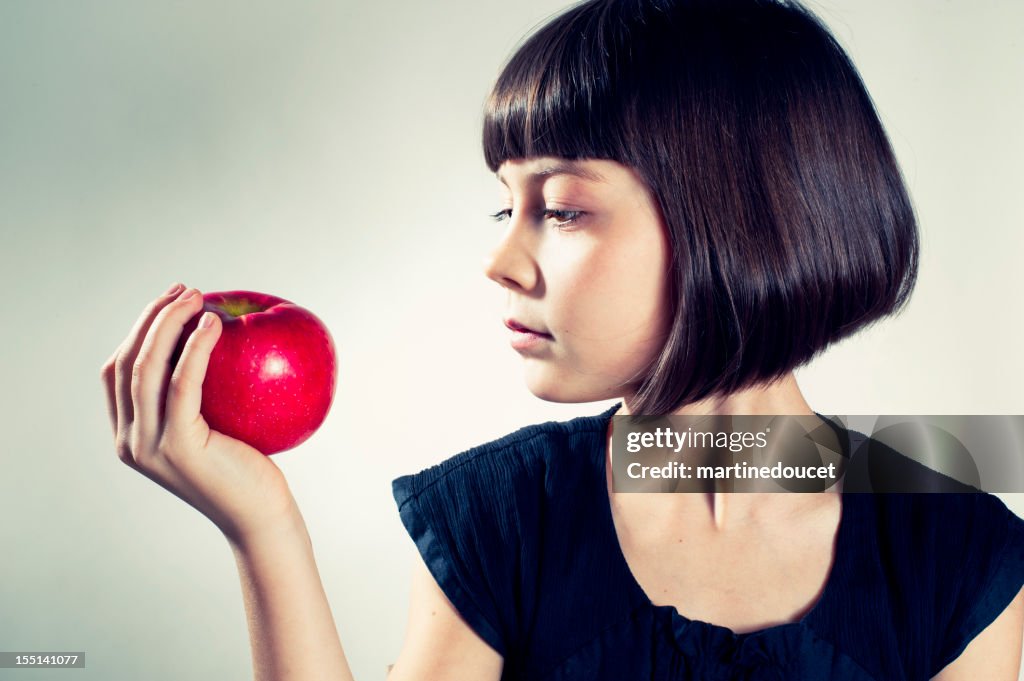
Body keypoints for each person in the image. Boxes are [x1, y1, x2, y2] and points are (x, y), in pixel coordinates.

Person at [100, 0, 1024, 679]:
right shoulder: (505, 515)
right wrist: (264, 528)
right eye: (508, 205)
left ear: (744, 221)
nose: (502, 259)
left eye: (564, 209)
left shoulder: (960, 552)